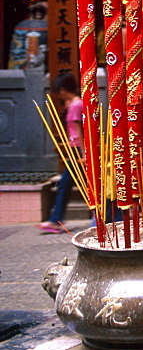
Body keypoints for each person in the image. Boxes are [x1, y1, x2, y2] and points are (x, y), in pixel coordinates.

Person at [38, 73, 81, 234]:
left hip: (79, 151)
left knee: (65, 185)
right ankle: (55, 219)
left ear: (62, 90)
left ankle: (55, 220)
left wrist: (83, 155)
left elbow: (80, 133)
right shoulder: (74, 104)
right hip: (76, 149)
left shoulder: (77, 105)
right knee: (66, 185)